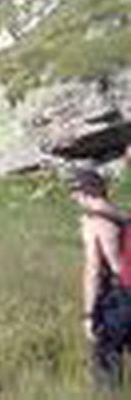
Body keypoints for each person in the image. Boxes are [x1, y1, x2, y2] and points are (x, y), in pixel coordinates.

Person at [72, 168, 131, 391]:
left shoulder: (93, 220)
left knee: (106, 358)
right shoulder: (122, 215)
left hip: (119, 297)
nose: (74, 199)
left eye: (75, 192)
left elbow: (93, 268)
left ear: (84, 192)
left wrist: (88, 314)